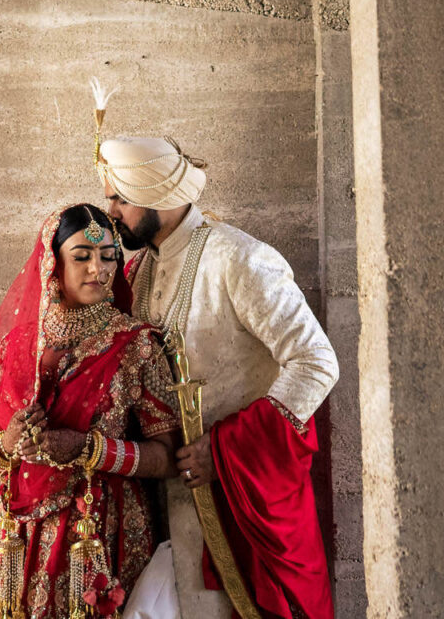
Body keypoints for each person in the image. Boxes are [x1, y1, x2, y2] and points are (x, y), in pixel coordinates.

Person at [98, 126, 340, 619]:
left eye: (119, 199)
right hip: (168, 509)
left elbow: (316, 363)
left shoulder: (238, 258)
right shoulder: (139, 271)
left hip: (244, 503)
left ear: (155, 194)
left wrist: (226, 448)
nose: (112, 214)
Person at [0, 203, 182, 619]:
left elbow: (166, 455)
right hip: (11, 542)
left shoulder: (137, 346)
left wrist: (90, 449)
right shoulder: (13, 347)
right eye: (82, 257)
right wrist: (6, 444)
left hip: (94, 536)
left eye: (109, 256)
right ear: (53, 262)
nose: (99, 269)